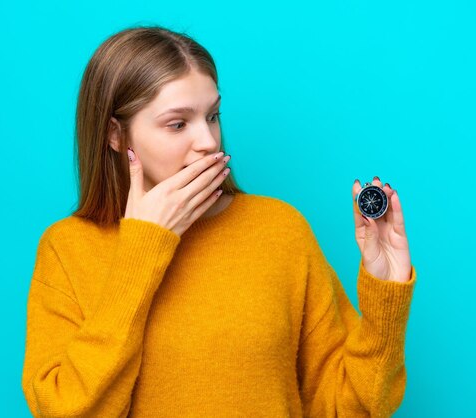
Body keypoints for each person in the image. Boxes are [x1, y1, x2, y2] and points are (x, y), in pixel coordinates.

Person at [21, 25, 417, 418]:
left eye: (212, 116)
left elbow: (348, 407)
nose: (209, 141)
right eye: (178, 123)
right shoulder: (67, 249)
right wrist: (143, 248)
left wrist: (386, 294)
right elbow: (67, 411)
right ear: (115, 134)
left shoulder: (279, 230)